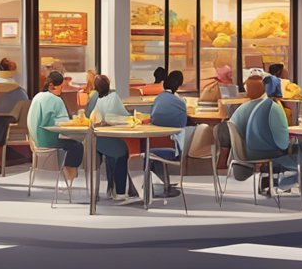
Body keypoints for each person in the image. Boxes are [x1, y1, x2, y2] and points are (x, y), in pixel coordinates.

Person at [228, 75, 302, 192]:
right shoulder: (272, 108)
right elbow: (282, 142)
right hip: (261, 153)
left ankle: (270, 179)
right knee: (300, 150)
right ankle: (283, 183)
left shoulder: (241, 109)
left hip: (242, 154)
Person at [27, 70, 83, 188]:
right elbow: (63, 124)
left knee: (72, 146)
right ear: (53, 86)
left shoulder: (37, 97)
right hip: (49, 142)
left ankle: (66, 176)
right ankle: (68, 178)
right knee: (77, 146)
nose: (61, 90)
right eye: (60, 87)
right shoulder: (56, 100)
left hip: (36, 142)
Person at [86, 74, 138, 203]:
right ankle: (119, 191)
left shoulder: (93, 98)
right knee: (123, 152)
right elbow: (123, 115)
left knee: (111, 156)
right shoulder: (113, 97)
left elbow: (87, 115)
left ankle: (111, 188)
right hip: (110, 138)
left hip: (95, 141)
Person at [148, 69, 190, 198]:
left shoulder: (158, 99)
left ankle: (160, 181)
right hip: (174, 147)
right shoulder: (180, 102)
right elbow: (182, 125)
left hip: (153, 144)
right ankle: (164, 183)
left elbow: (153, 119)